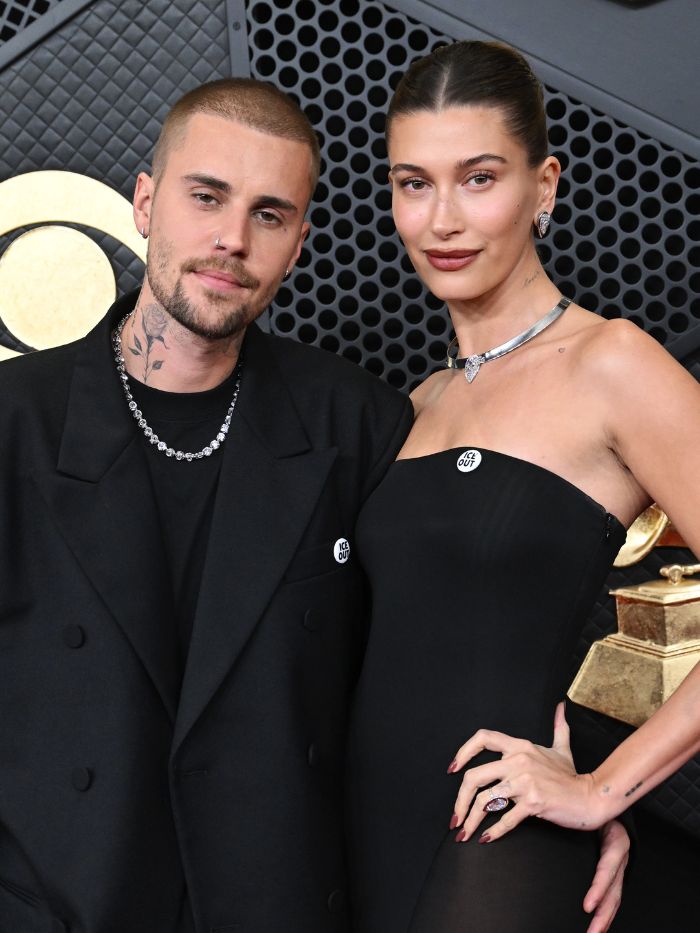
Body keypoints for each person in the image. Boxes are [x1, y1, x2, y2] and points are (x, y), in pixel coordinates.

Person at [0, 78, 415, 933]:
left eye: (270, 214)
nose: (231, 239)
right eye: (207, 197)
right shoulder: (14, 422)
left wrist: (552, 805)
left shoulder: (358, 422)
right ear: (146, 203)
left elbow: (426, 664)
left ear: (298, 242)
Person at [346, 39, 700, 932]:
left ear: (543, 186)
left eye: (478, 177)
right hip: (357, 832)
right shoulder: (414, 404)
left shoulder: (612, 362)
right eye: (413, 183)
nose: (441, 220)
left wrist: (599, 789)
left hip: (495, 838)